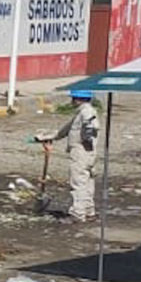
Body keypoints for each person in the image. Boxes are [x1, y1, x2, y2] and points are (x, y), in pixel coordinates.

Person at [35, 88, 101, 223]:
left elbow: (92, 127)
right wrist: (46, 137)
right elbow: (64, 131)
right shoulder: (80, 113)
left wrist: (87, 139)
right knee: (87, 182)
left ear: (78, 99)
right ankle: (89, 211)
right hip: (86, 152)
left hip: (81, 151)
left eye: (73, 98)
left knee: (78, 182)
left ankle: (77, 214)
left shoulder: (87, 112)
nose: (71, 101)